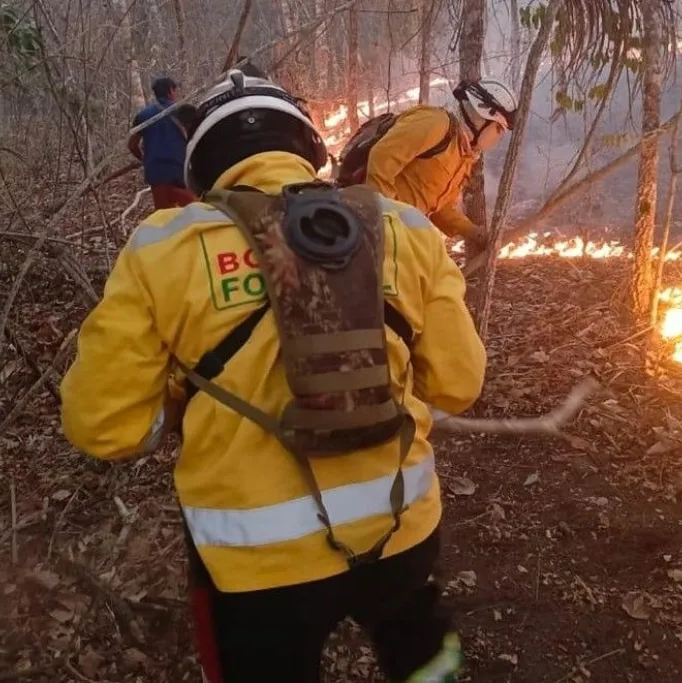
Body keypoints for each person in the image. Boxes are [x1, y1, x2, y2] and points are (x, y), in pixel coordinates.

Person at [60, 69, 486, 683]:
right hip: (401, 531)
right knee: (427, 663)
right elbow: (457, 383)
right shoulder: (405, 229)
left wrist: (179, 398)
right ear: (309, 149)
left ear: (201, 165)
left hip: (254, 567)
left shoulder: (162, 248)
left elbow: (104, 428)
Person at [360, 78, 518, 249]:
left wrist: (472, 231)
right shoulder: (436, 123)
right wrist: (387, 219)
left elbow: (440, 208)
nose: (498, 137)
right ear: (483, 117)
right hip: (371, 228)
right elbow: (382, 157)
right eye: (498, 129)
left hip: (402, 233)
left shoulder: (462, 156)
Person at [128, 76, 197, 210]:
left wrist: (145, 160)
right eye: (176, 90)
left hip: (156, 173)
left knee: (164, 217)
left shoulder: (143, 115)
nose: (177, 93)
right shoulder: (183, 112)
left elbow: (132, 145)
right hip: (179, 171)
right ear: (170, 91)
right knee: (193, 213)